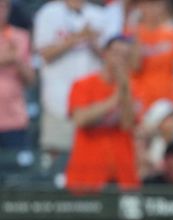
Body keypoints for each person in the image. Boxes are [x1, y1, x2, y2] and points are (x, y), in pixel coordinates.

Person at [65, 35, 140, 191]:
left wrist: (124, 91)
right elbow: (80, 119)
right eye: (116, 53)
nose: (120, 60)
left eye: (125, 56)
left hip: (122, 174)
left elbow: (128, 124)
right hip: (87, 173)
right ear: (105, 54)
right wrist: (114, 100)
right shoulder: (83, 84)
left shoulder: (135, 88)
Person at [33, 0, 105, 157]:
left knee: (91, 158)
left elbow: (112, 57)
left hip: (93, 105)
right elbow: (45, 54)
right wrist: (77, 37)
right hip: (58, 100)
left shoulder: (99, 14)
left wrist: (92, 41)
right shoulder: (49, 12)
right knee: (56, 160)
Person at [0, 0, 34, 150]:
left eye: (4, 6)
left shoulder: (21, 37)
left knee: (16, 171)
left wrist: (17, 61)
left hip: (14, 119)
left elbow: (31, 80)